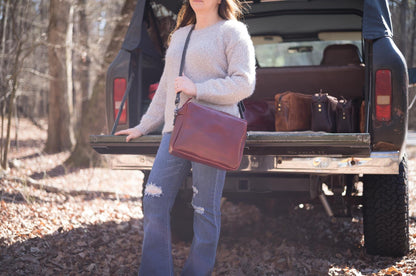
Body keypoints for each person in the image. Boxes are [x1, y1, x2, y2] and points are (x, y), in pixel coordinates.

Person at [115, 0, 256, 274]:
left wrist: (198, 89)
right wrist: (143, 126)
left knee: (205, 208)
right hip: (175, 131)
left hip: (214, 132)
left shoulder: (234, 32)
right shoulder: (180, 35)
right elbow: (167, 87)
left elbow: (244, 83)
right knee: (153, 199)